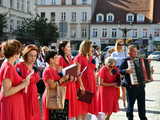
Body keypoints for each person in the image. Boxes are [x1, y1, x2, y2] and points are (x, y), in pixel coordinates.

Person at [0, 40, 30, 120]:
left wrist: (23, 82)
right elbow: (7, 92)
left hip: (14, 102)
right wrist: (23, 84)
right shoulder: (8, 67)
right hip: (11, 103)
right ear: (16, 53)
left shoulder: (9, 66)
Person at [120, 45, 148, 120]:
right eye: (134, 51)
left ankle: (143, 118)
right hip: (131, 86)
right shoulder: (125, 60)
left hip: (141, 86)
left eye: (136, 51)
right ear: (129, 52)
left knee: (142, 104)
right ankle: (130, 118)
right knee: (130, 105)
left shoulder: (140, 60)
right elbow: (119, 71)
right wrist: (126, 70)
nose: (136, 53)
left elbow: (145, 71)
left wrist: (149, 72)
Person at [42, 51, 69, 120]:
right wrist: (62, 79)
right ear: (51, 60)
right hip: (52, 97)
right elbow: (51, 86)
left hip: (58, 96)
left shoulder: (55, 70)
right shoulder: (47, 70)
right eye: (56, 57)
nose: (58, 59)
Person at [16, 44, 40, 120]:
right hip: (24, 96)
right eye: (31, 55)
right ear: (26, 55)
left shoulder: (35, 67)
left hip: (34, 96)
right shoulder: (19, 66)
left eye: (35, 56)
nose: (33, 58)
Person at [74, 40, 97, 120]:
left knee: (85, 109)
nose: (92, 48)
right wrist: (81, 86)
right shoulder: (79, 58)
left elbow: (93, 71)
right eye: (91, 47)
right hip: (82, 85)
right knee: (80, 109)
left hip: (90, 85)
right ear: (86, 47)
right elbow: (77, 73)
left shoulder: (90, 57)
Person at [58, 41, 78, 119]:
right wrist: (69, 76)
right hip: (65, 87)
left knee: (71, 111)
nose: (70, 48)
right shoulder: (60, 58)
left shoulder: (69, 57)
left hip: (71, 86)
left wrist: (75, 75)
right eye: (68, 46)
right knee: (65, 110)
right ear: (63, 48)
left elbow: (73, 71)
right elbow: (59, 74)